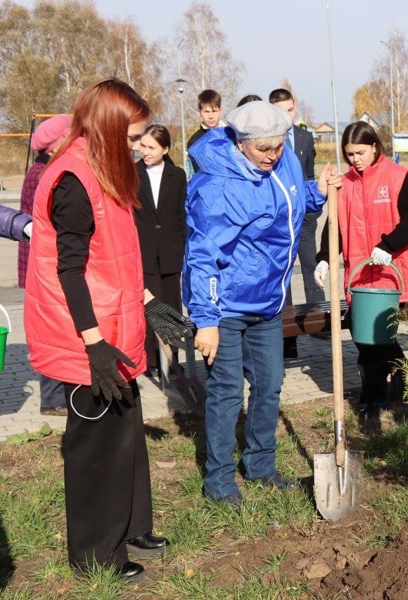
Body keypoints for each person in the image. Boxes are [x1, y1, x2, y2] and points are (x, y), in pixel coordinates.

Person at [23, 78, 189, 582]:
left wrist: (148, 302)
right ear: (109, 128)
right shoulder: (73, 180)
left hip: (116, 321)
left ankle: (132, 525)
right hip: (85, 332)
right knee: (97, 443)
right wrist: (93, 345)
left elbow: (114, 258)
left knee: (127, 431)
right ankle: (96, 552)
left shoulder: (108, 172)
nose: (139, 146)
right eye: (133, 136)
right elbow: (68, 270)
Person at [183, 101, 339, 507]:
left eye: (279, 146)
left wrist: (316, 191)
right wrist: (206, 320)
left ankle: (260, 465)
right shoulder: (216, 186)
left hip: (269, 302)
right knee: (228, 392)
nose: (273, 155)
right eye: (264, 149)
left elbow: (290, 204)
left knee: (269, 385)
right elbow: (202, 256)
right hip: (227, 306)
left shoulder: (282, 160)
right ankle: (219, 481)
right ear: (240, 142)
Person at [313, 121, 408, 412]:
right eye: (349, 154)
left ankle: (373, 398)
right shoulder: (346, 183)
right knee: (365, 335)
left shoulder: (397, 178)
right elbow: (333, 225)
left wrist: (388, 246)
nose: (355, 159)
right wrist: (325, 256)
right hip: (361, 273)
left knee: (373, 336)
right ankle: (398, 371)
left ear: (375, 146)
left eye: (360, 152)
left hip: (391, 271)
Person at [18, 114, 72, 416]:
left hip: (41, 265)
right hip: (46, 267)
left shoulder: (40, 170)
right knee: (53, 331)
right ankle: (52, 399)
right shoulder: (44, 175)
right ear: (54, 145)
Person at [270, 87, 323, 357]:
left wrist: (313, 209)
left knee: (312, 265)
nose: (287, 116)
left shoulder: (304, 137)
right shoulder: (269, 142)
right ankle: (287, 336)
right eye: (281, 112)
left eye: (290, 110)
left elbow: (310, 173)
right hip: (280, 221)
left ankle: (319, 322)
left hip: (306, 217)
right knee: (284, 274)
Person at [135, 124, 188, 376]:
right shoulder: (132, 173)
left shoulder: (177, 176)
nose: (144, 151)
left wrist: (183, 248)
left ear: (165, 149)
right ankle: (150, 360)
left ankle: (172, 358)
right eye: (142, 146)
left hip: (170, 252)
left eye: (151, 147)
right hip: (143, 252)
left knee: (171, 306)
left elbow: (181, 215)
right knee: (148, 305)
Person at [186, 88, 223, 174]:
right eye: (206, 111)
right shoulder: (195, 141)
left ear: (220, 111)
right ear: (199, 112)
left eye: (214, 111)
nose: (211, 116)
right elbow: (200, 172)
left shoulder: (231, 135)